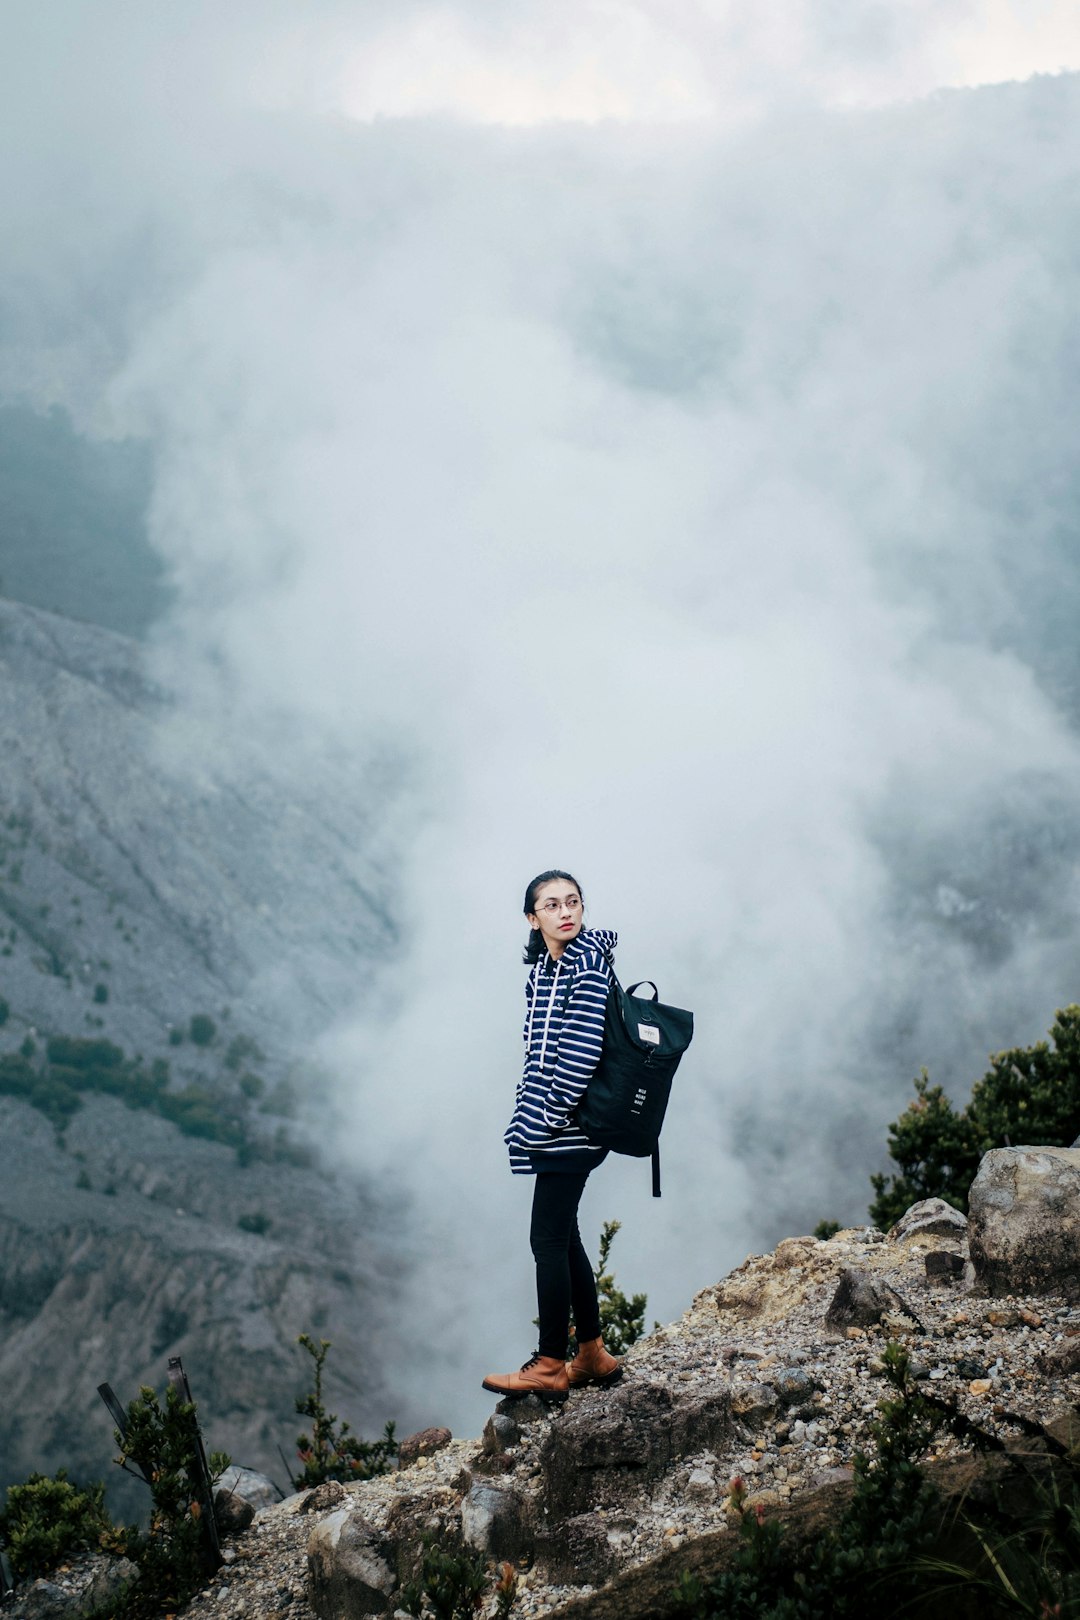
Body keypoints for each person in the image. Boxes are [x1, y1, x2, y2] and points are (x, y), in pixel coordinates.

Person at [482, 869, 624, 1402]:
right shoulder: (545, 969)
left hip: (569, 1128)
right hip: (557, 1124)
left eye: (573, 902)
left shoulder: (586, 966)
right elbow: (537, 1048)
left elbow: (582, 1054)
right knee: (565, 1238)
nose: (565, 912)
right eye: (552, 904)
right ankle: (591, 1354)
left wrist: (548, 1114)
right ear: (532, 917)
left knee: (545, 1240)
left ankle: (549, 1363)